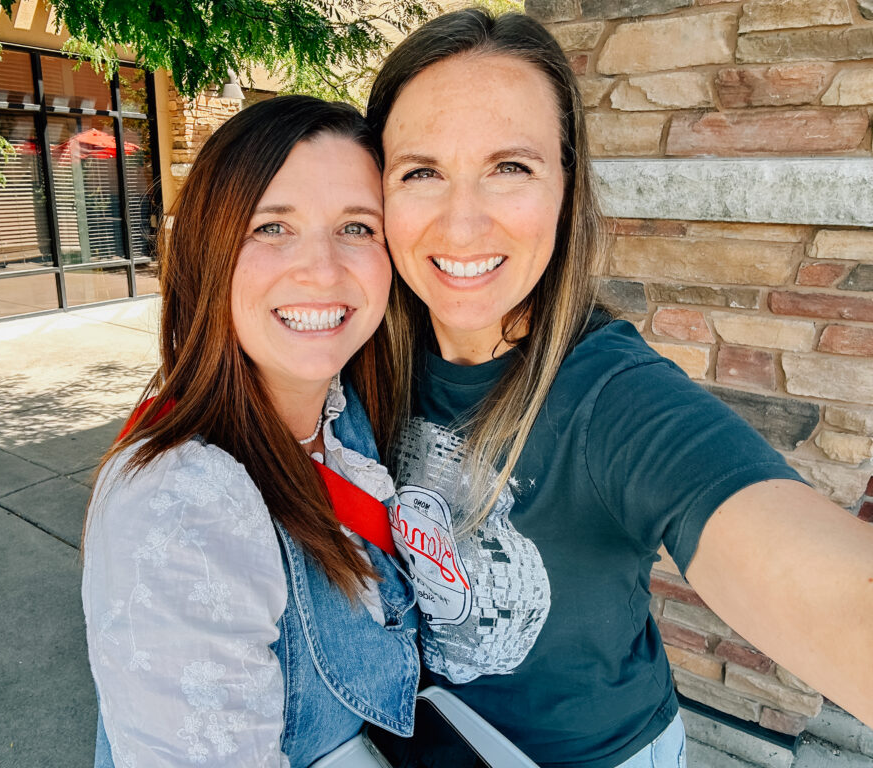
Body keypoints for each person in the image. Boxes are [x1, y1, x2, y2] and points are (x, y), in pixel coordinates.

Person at [362, 8, 873, 768]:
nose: (461, 225)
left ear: (567, 186)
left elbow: (835, 599)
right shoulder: (359, 359)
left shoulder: (615, 398)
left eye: (511, 167)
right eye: (421, 172)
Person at [81, 95, 420, 768]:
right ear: (209, 252)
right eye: (271, 227)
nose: (323, 270)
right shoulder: (181, 506)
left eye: (357, 227)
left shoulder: (348, 413)